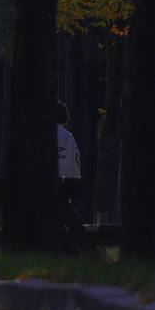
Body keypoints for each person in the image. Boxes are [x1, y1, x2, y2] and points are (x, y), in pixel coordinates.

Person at [57, 100, 85, 238]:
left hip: (48, 188)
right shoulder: (69, 137)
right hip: (68, 187)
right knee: (66, 211)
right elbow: (76, 164)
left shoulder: (42, 137)